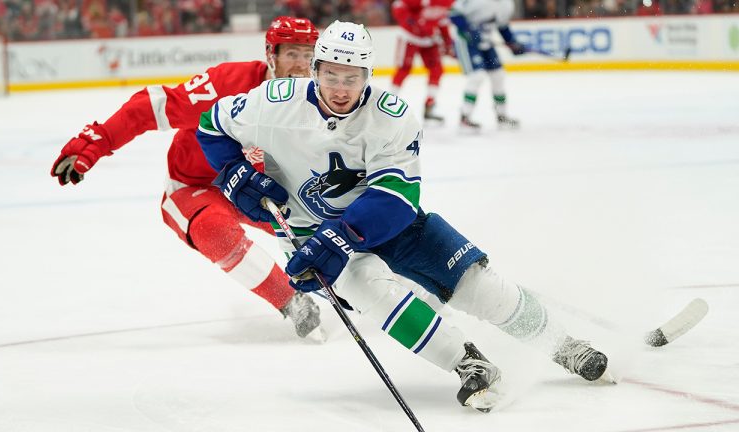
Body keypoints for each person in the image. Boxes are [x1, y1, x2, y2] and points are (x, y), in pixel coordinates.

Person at [196, 20, 611, 412]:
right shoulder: (273, 104)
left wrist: (342, 235)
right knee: (368, 291)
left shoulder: (390, 115)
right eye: (331, 76)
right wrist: (233, 174)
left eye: (352, 77)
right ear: (315, 70)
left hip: (387, 223)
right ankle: (468, 365)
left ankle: (565, 344)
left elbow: (396, 196)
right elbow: (210, 126)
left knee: (477, 285)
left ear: (368, 76)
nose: (341, 89)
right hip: (309, 229)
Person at [50, 17, 324, 339]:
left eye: (309, 56)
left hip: (259, 190)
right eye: (292, 54)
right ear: (270, 54)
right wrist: (95, 143)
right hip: (195, 188)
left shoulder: (318, 99)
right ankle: (292, 302)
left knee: (335, 226)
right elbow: (150, 107)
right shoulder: (226, 84)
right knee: (214, 230)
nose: (301, 66)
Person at [449, 0, 526, 130]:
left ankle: (502, 116)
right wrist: (469, 30)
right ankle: (465, 116)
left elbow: (502, 27)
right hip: (467, 42)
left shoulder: (507, 4)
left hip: (486, 43)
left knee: (498, 76)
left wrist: (512, 42)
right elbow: (454, 13)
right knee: (477, 76)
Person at [390, 0, 455, 123]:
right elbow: (398, 5)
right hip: (409, 36)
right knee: (404, 69)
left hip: (428, 39)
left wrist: (448, 43)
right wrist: (410, 22)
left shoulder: (448, 2)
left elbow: (442, 21)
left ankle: (430, 106)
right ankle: (389, 102)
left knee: (437, 70)